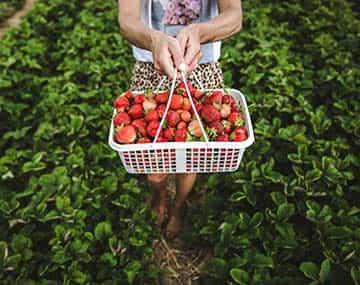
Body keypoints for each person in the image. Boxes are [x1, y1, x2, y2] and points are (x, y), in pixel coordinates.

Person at [118, 0, 242, 238]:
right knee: (153, 165)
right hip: (150, 65)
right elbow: (127, 19)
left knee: (190, 158)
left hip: (202, 65)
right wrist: (154, 40)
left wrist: (199, 31)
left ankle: (178, 206)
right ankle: (160, 193)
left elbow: (234, 15)